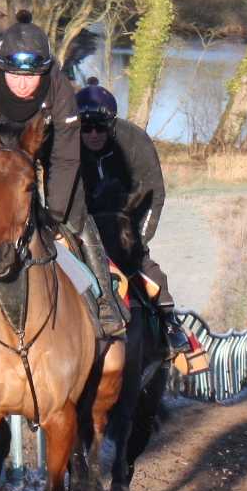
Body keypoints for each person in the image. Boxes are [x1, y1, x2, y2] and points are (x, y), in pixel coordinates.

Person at [0, 12, 128, 339]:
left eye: (32, 77)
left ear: (45, 72)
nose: (23, 84)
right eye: (14, 76)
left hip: (51, 143)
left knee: (77, 218)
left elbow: (66, 158)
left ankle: (104, 301)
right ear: (2, 70)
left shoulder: (59, 87)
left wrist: (54, 216)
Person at [74, 78, 184, 344]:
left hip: (126, 226)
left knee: (149, 271)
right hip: (83, 226)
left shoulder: (135, 140)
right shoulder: (65, 146)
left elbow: (153, 194)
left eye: (100, 127)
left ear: (112, 124)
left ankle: (169, 322)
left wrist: (139, 240)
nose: (93, 134)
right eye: (85, 128)